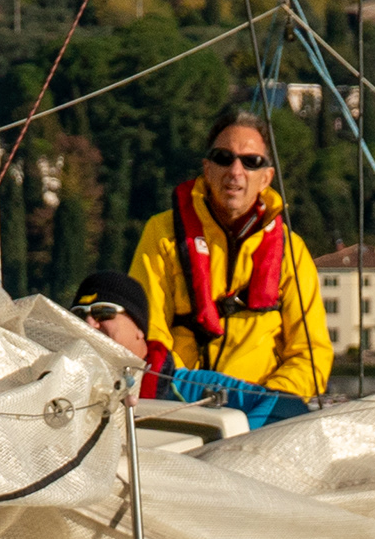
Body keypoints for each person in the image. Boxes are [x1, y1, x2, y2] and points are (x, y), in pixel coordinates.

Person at [126, 110, 330, 406]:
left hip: (262, 411)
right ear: (207, 169)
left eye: (251, 162)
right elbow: (147, 333)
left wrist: (268, 400)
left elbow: (311, 353)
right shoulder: (162, 234)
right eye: (224, 158)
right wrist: (183, 391)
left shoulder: (292, 252)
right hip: (181, 406)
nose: (235, 171)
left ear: (266, 178)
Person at [71, 271, 305, 428]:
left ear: (139, 329)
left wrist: (227, 455)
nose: (90, 324)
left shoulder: (189, 387)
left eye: (104, 312)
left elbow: (286, 405)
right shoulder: (65, 393)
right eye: (79, 315)